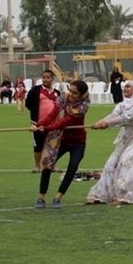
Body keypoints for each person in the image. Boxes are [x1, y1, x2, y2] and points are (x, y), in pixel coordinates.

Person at [86, 80, 133, 205]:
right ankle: (101, 195)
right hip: (127, 136)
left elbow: (127, 117)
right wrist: (100, 122)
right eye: (124, 87)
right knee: (111, 164)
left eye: (128, 87)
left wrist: (106, 123)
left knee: (128, 162)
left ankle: (124, 196)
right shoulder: (122, 104)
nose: (125, 89)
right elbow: (113, 115)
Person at [31, 79, 90, 209]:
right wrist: (39, 124)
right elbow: (52, 115)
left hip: (77, 141)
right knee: (47, 164)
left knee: (72, 167)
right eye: (70, 91)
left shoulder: (83, 106)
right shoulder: (63, 99)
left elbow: (64, 122)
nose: (71, 94)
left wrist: (45, 129)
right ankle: (41, 197)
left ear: (82, 94)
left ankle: (58, 197)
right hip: (59, 139)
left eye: (75, 93)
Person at [25, 70, 62, 173]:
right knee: (38, 145)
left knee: (53, 145)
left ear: (52, 79)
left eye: (48, 77)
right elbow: (28, 104)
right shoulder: (35, 90)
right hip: (37, 123)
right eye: (44, 77)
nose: (45, 79)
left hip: (53, 124)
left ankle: (53, 165)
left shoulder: (57, 93)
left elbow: (59, 107)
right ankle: (38, 166)